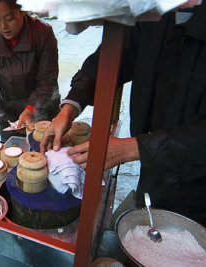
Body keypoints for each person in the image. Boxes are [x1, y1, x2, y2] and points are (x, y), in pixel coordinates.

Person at [41, 3, 206, 226]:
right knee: (150, 224)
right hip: (152, 168)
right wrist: (69, 108)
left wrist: (132, 147)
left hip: (198, 187)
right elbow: (110, 58)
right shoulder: (154, 16)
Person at [0, 0, 60, 141]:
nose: (3, 26)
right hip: (8, 112)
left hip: (42, 110)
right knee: (12, 153)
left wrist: (30, 110)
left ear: (23, 10)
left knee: (42, 152)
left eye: (9, 18)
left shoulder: (43, 34)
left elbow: (47, 81)